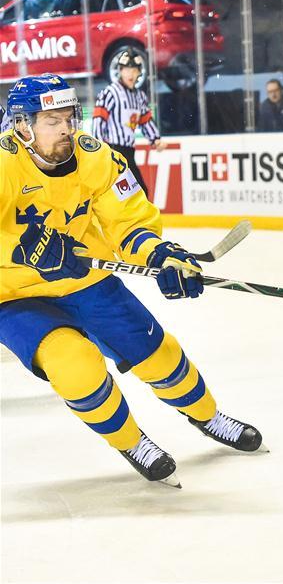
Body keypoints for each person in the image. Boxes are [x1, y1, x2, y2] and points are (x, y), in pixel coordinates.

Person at [0, 74, 264, 486]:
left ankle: (209, 417)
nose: (67, 128)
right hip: (13, 295)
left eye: (70, 116)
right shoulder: (3, 164)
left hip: (84, 279)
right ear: (22, 125)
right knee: (74, 364)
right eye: (53, 121)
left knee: (157, 353)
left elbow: (129, 224)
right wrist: (22, 251)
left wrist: (160, 255)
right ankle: (131, 441)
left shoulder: (97, 158)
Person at [91, 48, 166, 197]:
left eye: (134, 70)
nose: (130, 74)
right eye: (126, 70)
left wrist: (155, 139)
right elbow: (98, 121)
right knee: (136, 193)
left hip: (129, 151)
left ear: (139, 72)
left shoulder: (139, 96)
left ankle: (131, 220)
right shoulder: (110, 93)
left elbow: (145, 120)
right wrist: (100, 150)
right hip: (112, 150)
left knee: (136, 193)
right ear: (120, 71)